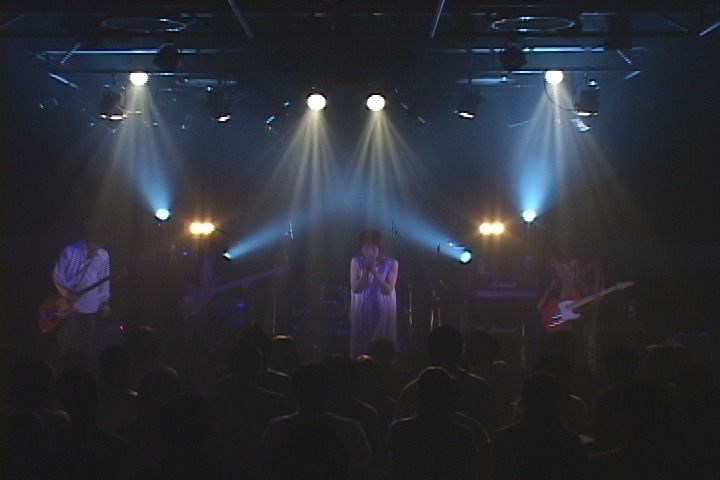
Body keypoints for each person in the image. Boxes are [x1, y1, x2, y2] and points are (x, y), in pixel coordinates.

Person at [536, 239, 604, 370]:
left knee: (584, 336)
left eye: (555, 256)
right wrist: (545, 297)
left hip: (582, 303)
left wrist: (593, 294)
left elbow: (593, 280)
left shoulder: (579, 264)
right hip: (565, 303)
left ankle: (586, 367)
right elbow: (556, 280)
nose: (554, 260)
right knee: (567, 335)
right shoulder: (556, 264)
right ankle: (568, 364)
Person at [52, 231, 111, 358]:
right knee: (68, 343)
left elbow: (104, 280)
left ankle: (83, 364)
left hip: (91, 306)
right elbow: (57, 275)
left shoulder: (103, 255)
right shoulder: (70, 250)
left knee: (85, 345)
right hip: (68, 306)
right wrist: (67, 294)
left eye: (100, 246)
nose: (97, 249)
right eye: (94, 246)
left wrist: (105, 303)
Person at [349, 229, 398, 357]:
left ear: (379, 248)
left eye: (373, 248)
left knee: (381, 343)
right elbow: (355, 288)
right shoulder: (356, 262)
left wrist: (375, 272)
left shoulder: (391, 263)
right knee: (362, 342)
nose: (370, 251)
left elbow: (388, 289)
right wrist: (366, 272)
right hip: (362, 308)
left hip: (383, 309)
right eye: (366, 248)